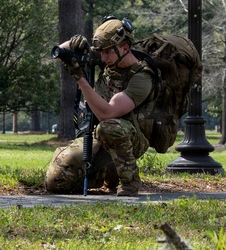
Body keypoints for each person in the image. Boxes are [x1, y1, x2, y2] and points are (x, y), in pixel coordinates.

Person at [45, 17, 153, 197]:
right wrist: (75, 43)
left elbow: (107, 113)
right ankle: (107, 172)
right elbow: (60, 52)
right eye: (100, 52)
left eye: (107, 52)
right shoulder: (110, 58)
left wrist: (80, 79)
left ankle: (130, 182)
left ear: (125, 48)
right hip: (99, 135)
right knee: (56, 181)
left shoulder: (142, 77)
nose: (103, 57)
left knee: (109, 127)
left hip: (132, 138)